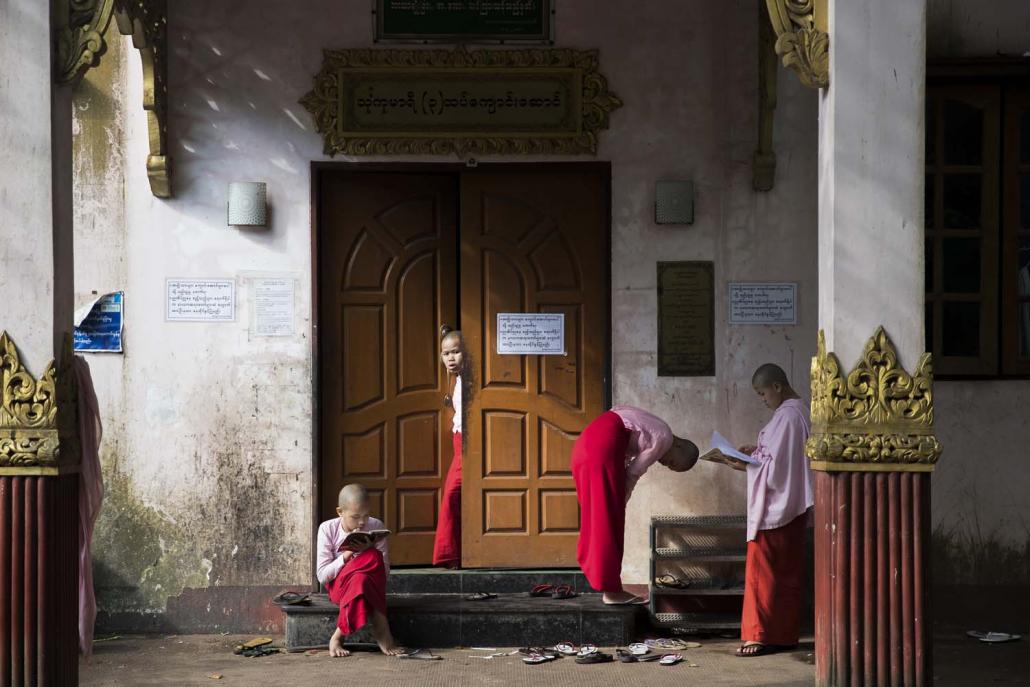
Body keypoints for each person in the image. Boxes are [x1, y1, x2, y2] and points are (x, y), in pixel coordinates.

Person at [571, 406, 699, 605]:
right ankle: (612, 592)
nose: (665, 464)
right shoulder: (664, 439)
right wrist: (621, 501)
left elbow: (620, 413)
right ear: (680, 447)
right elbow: (633, 473)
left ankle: (606, 584)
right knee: (607, 522)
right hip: (602, 448)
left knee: (596, 519)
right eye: (672, 462)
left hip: (587, 444)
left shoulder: (656, 424)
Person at [730, 363, 812, 657]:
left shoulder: (789, 416)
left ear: (777, 386)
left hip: (775, 509)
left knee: (761, 575)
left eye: (763, 393)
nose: (762, 399)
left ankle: (758, 635)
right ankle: (784, 635)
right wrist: (756, 452)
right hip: (792, 506)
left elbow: (775, 470)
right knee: (786, 575)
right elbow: (779, 457)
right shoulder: (796, 411)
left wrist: (743, 464)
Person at [316, 483, 404, 657]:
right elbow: (322, 576)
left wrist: (366, 552)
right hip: (339, 588)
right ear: (340, 512)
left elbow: (384, 574)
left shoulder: (375, 525)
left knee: (369, 564)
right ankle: (381, 627)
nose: (362, 522)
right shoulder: (327, 529)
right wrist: (348, 555)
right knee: (369, 562)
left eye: (366, 515)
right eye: (355, 517)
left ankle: (337, 636)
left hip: (369, 584)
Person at [432, 325, 466, 568]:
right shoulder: (457, 380)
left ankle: (450, 554)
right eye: (446, 354)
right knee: (453, 494)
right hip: (458, 441)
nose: (451, 358)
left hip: (468, 443)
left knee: (453, 493)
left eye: (456, 352)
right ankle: (453, 554)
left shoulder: (472, 379)